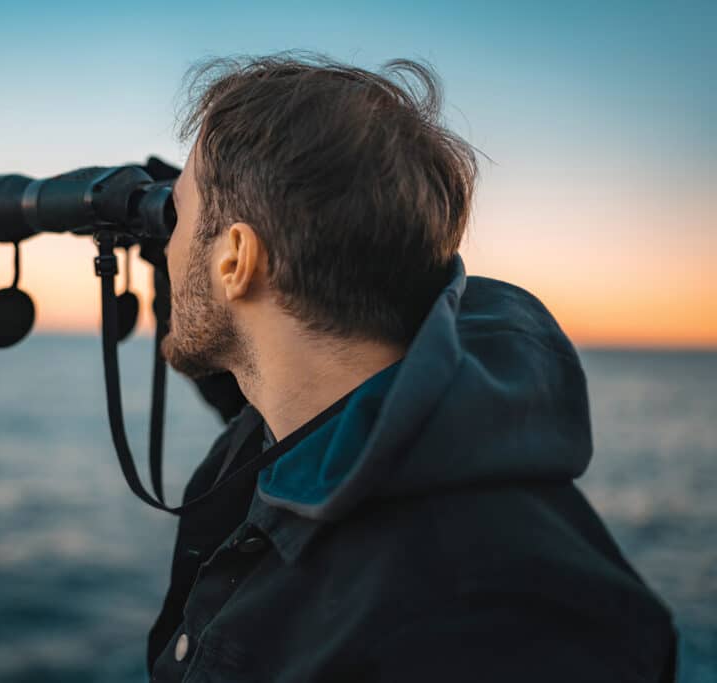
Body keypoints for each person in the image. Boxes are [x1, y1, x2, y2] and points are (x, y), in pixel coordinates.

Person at [144, 51, 678, 682]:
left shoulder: (493, 621)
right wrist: (193, 295)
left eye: (176, 215)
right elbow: (278, 381)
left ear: (236, 258)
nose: (163, 238)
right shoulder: (344, 422)